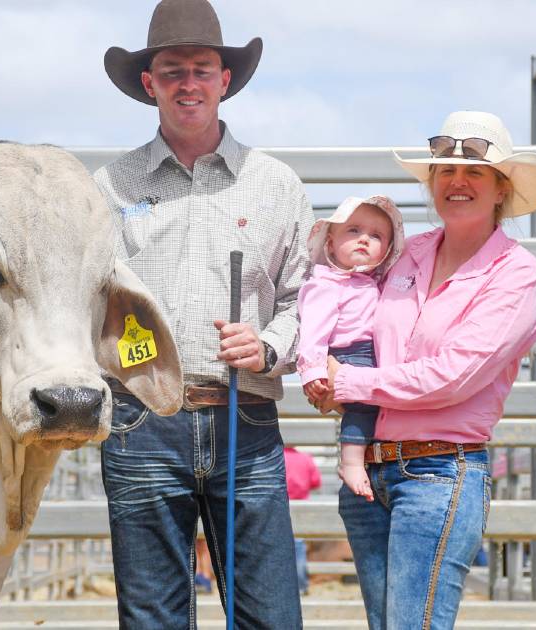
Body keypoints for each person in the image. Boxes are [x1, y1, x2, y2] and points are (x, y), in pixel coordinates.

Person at [93, 0, 313, 627]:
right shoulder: (110, 187)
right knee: (153, 616)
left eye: (201, 69)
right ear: (149, 84)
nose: (187, 84)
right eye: (172, 71)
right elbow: (86, 299)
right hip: (141, 416)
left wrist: (268, 347)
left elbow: (306, 297)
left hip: (246, 417)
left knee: (269, 614)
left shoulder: (274, 184)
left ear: (225, 80)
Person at [314, 111, 536, 629]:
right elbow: (352, 317)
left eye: (474, 171)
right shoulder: (408, 254)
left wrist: (348, 382)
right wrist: (316, 364)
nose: (456, 181)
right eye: (444, 171)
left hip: (438, 472)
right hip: (370, 471)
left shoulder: (517, 274)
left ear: (500, 188)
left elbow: (453, 376)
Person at [297, 195, 405, 501]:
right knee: (362, 406)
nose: (364, 240)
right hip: (352, 353)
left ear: (385, 252)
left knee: (376, 405)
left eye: (376, 236)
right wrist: (313, 370)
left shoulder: (372, 284)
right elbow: (313, 330)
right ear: (330, 244)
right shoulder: (327, 283)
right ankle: (352, 462)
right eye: (353, 231)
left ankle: (364, 458)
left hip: (373, 352)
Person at [283, 445, 322, 594]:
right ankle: (300, 585)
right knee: (298, 545)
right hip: (300, 504)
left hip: (278, 504)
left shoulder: (275, 458)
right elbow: (316, 482)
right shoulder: (305, 458)